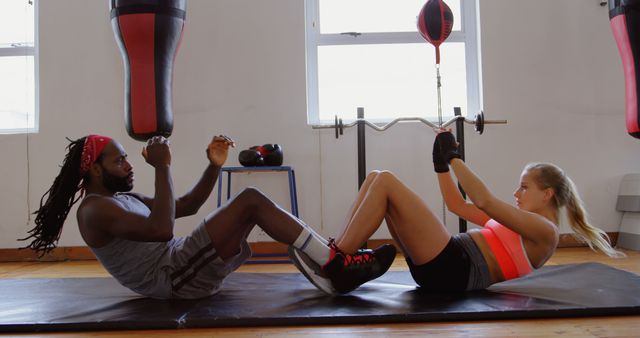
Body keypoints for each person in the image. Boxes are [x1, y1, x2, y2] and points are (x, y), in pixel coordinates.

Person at [21, 134, 396, 299]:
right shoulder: (94, 210)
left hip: (179, 262)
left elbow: (185, 206)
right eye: (119, 160)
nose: (128, 164)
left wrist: (213, 167)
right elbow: (163, 229)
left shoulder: (121, 199)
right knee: (249, 201)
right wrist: (162, 166)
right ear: (96, 171)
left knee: (250, 206)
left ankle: (329, 271)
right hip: (173, 278)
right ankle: (333, 264)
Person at [291, 131, 623, 293]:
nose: (516, 193)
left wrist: (455, 159)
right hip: (446, 264)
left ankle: (336, 262)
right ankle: (341, 256)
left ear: (547, 193)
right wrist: (441, 166)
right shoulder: (522, 226)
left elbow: (484, 201)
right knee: (378, 177)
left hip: (454, 269)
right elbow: (458, 205)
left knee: (387, 181)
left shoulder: (545, 233)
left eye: (524, 187)